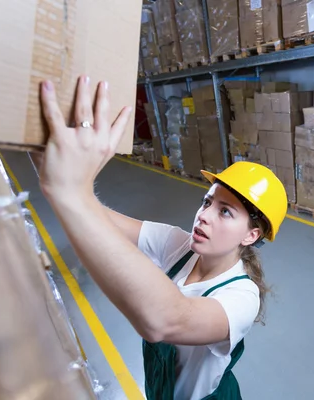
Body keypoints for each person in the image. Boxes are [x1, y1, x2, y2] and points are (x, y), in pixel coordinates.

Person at [34, 75, 288, 399]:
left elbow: (165, 320)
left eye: (225, 212)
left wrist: (72, 192)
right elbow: (103, 221)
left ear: (251, 235)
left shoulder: (241, 297)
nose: (204, 215)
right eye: (207, 202)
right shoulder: (180, 245)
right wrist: (58, 175)